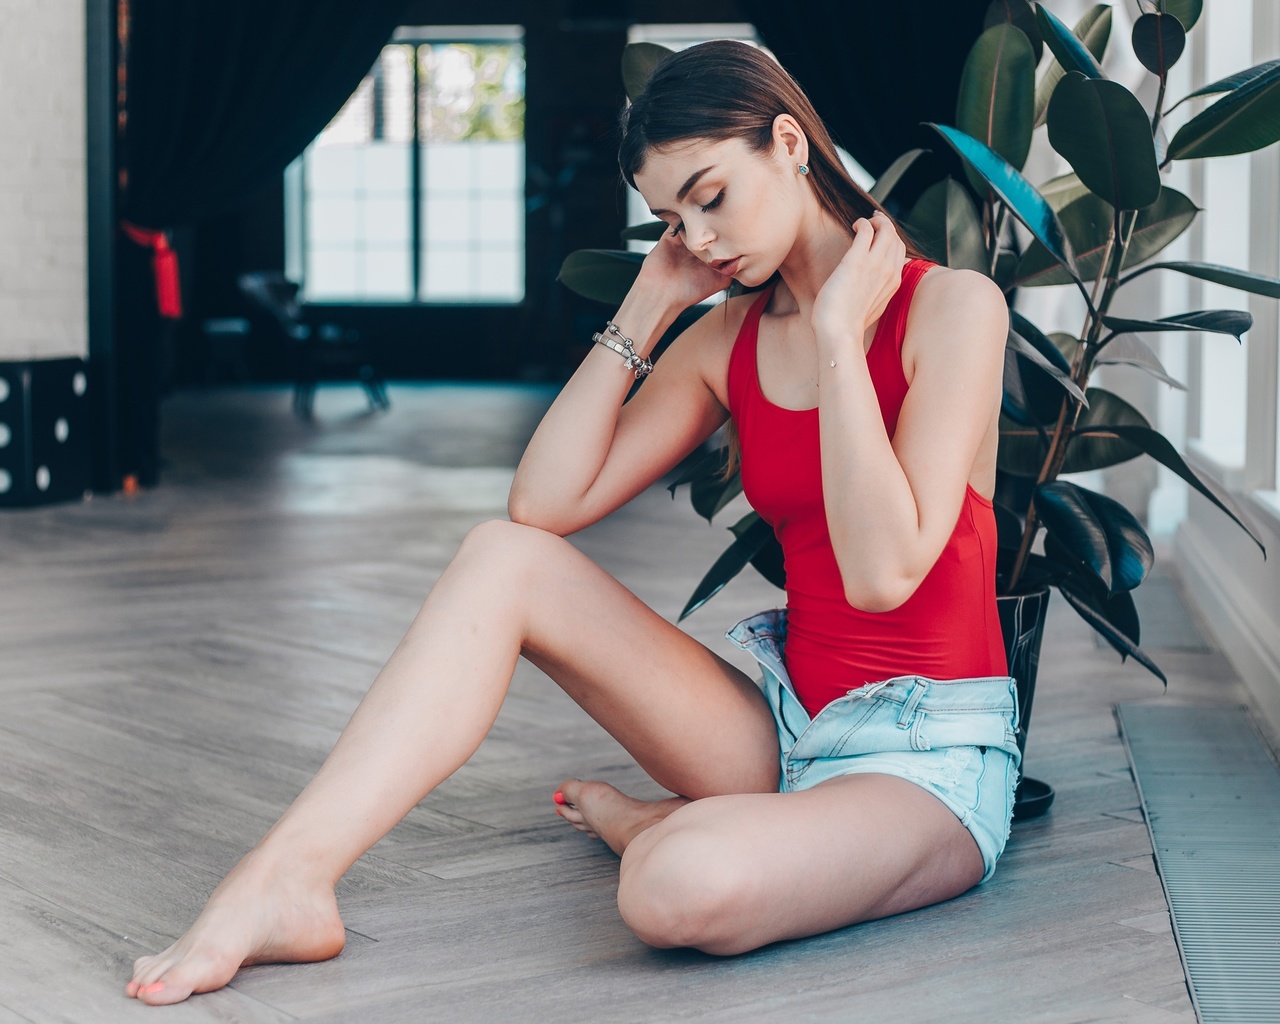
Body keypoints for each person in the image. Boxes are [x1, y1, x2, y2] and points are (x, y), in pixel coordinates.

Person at [125, 39, 1016, 1006]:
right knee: (502, 560)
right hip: (786, 727)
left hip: (928, 762)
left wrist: (842, 335)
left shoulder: (954, 309)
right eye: (674, 221)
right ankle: (285, 879)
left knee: (673, 889)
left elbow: (886, 571)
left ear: (790, 145)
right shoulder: (729, 338)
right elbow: (541, 507)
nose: (702, 240)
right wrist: (652, 296)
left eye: (711, 198)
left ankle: (659, 828)